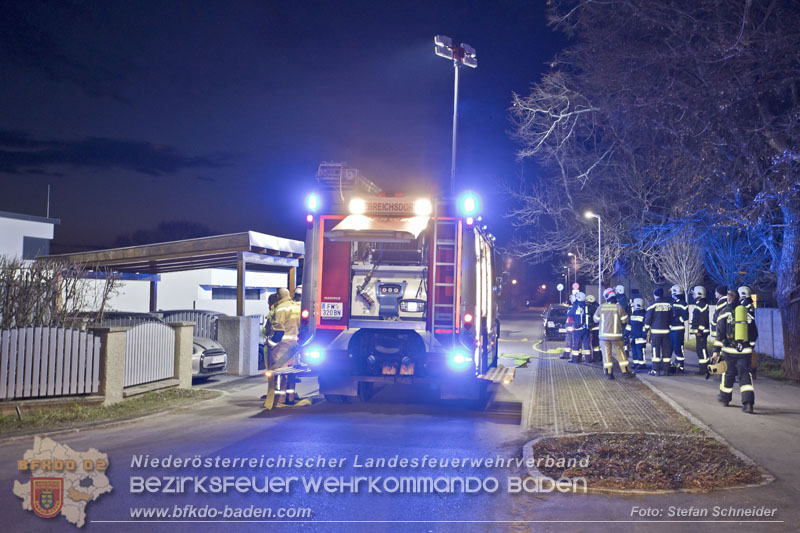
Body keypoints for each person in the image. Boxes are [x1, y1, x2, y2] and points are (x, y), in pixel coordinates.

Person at [716, 290, 759, 413]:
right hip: (745, 352)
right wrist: (749, 347)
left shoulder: (724, 313)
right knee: (745, 376)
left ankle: (724, 399)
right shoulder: (747, 314)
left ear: (728, 299)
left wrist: (716, 350)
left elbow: (720, 334)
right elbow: (754, 334)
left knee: (728, 374)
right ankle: (748, 404)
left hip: (729, 350)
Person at [593, 288, 634, 379]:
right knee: (621, 354)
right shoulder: (619, 307)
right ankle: (626, 372)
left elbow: (595, 319)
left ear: (607, 297)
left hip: (604, 336)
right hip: (617, 336)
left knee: (606, 355)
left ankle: (609, 373)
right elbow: (624, 320)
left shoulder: (601, 307)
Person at [267, 288, 302, 369]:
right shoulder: (297, 307)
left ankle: (281, 380)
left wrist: (271, 343)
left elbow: (278, 329)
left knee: (279, 368)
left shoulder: (280, 308)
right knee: (291, 367)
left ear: (278, 296)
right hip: (297, 343)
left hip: (283, 344)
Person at [645, 287, 673, 376]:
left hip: (656, 333)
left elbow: (648, 319)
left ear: (655, 295)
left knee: (655, 352)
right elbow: (672, 318)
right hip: (666, 332)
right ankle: (666, 371)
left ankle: (656, 371)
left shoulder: (652, 305)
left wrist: (646, 329)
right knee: (666, 352)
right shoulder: (668, 305)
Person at [738, 285, 758, 379]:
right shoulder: (747, 304)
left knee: (748, 353)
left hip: (749, 333)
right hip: (750, 333)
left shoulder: (746, 306)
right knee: (748, 352)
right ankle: (750, 372)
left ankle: (751, 372)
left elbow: (747, 320)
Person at [689, 286, 711, 375]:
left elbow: (703, 319)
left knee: (702, 349)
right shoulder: (700, 304)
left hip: (702, 332)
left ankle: (705, 368)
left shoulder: (702, 305)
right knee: (700, 349)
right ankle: (703, 368)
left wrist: (700, 331)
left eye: (694, 293)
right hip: (701, 332)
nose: (693, 295)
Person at [567, 291, 592, 363]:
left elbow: (569, 314)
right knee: (587, 345)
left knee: (576, 345)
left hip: (578, 329)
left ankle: (575, 360)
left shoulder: (576, 306)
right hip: (586, 329)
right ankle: (588, 359)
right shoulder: (586, 306)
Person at [669, 285, 689, 373]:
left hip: (679, 329)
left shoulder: (683, 303)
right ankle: (672, 365)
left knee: (678, 348)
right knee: (671, 348)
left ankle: (680, 366)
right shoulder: (672, 303)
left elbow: (685, 317)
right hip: (671, 329)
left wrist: (676, 318)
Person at [625, 297, 647, 369]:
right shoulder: (637, 315)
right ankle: (636, 363)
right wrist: (626, 334)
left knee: (640, 351)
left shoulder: (641, 315)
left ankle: (641, 364)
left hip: (639, 337)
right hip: (634, 337)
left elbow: (644, 327)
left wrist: (626, 334)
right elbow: (629, 326)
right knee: (635, 351)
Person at [586, 294, 602, 363]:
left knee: (595, 344)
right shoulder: (597, 306)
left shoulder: (592, 307)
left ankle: (596, 357)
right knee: (599, 344)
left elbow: (591, 317)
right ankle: (600, 357)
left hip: (595, 328)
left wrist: (590, 325)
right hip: (599, 327)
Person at [561, 292, 577, 359]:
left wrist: (568, 325)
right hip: (574, 326)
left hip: (571, 326)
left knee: (569, 341)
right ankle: (573, 355)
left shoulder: (573, 307)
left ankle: (567, 355)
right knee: (573, 341)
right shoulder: (578, 306)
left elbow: (569, 316)